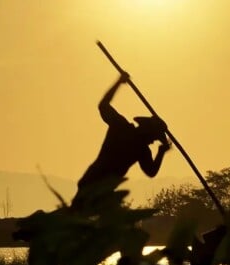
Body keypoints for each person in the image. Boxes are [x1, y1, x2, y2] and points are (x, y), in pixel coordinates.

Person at [70, 72, 171, 211]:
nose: (153, 141)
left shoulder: (127, 133)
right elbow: (151, 172)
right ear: (147, 131)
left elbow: (103, 105)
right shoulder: (129, 136)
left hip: (100, 187)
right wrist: (161, 152)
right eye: (154, 137)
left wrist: (119, 82)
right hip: (97, 186)